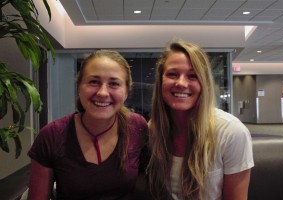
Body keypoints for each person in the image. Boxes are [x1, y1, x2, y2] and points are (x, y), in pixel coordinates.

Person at [27, 50, 148, 200]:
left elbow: (145, 184)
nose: (103, 93)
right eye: (93, 82)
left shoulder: (137, 127)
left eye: (114, 84)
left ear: (126, 92)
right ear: (79, 87)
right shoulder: (51, 135)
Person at [147, 40, 254, 200]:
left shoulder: (231, 133)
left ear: (205, 84)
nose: (181, 83)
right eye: (172, 74)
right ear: (161, 81)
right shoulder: (152, 130)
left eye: (192, 76)